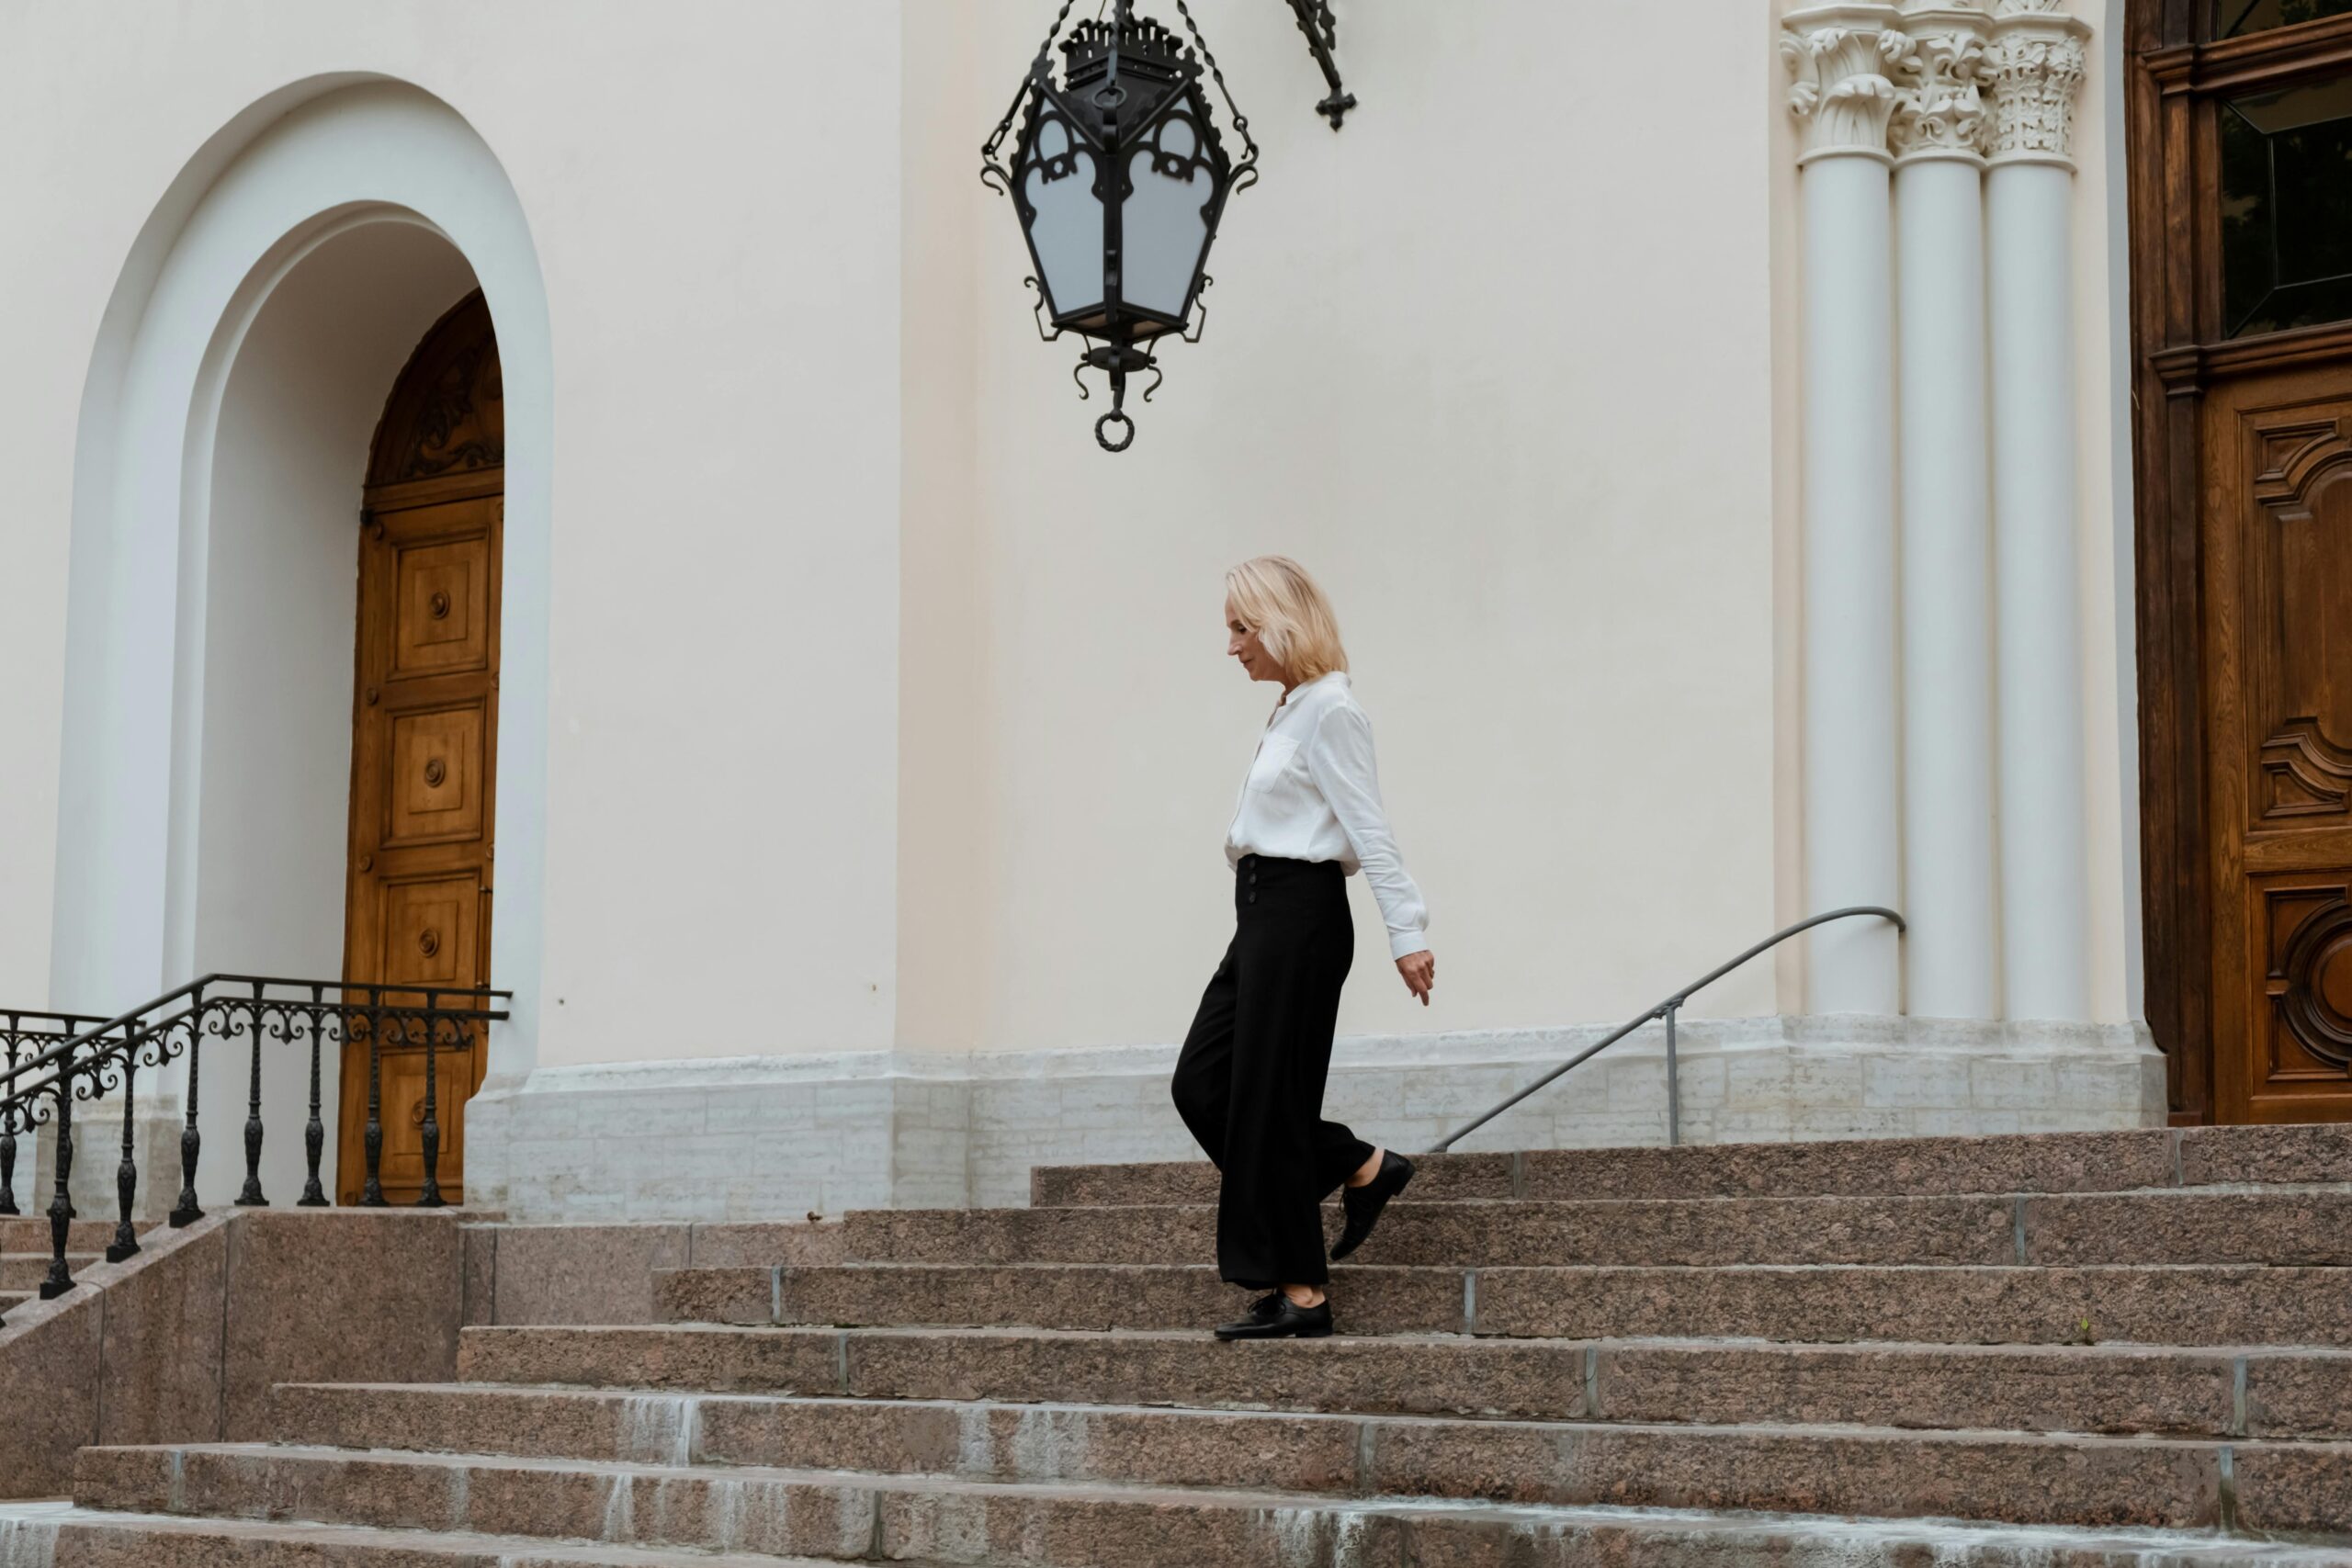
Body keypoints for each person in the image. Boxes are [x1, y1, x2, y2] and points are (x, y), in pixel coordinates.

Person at [1170, 556, 1435, 1342]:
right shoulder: (1292, 709)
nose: (1231, 646)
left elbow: (1370, 827)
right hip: (1258, 915)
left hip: (1301, 914)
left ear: (1282, 626)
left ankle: (1304, 1295)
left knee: (1269, 1104)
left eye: (1241, 628)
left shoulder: (1332, 712)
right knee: (1202, 1084)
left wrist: (1408, 931)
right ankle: (1359, 1164)